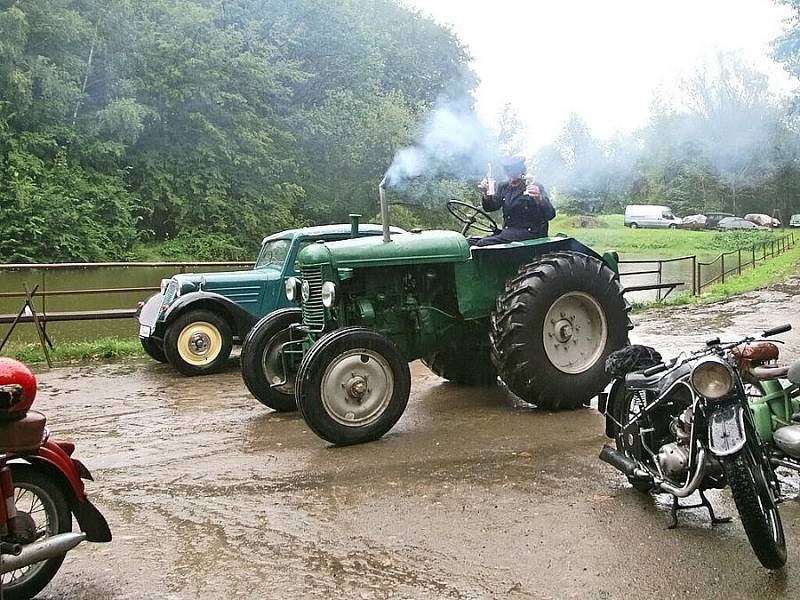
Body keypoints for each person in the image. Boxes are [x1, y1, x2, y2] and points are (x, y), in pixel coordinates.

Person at [473, 156, 555, 247]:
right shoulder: (503, 186)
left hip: (530, 234)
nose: (512, 179)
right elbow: (491, 207)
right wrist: (486, 194)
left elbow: (550, 214)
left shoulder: (534, 186)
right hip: (508, 232)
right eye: (509, 175)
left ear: (522, 172)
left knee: (482, 244)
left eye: (515, 175)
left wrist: (539, 199)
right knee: (469, 242)